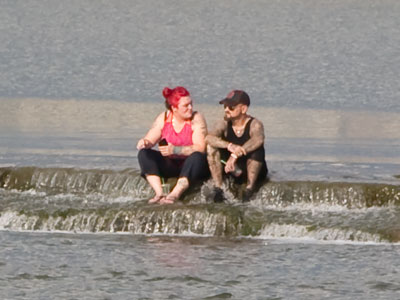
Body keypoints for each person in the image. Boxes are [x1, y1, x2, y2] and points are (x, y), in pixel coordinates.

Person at [137, 86, 209, 204]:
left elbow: (200, 147)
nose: (190, 108)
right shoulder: (164, 118)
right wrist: (144, 142)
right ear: (174, 108)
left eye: (191, 104)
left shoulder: (196, 118)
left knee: (197, 157)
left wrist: (175, 150)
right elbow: (150, 139)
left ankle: (174, 194)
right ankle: (159, 193)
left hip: (191, 165)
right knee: (144, 154)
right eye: (186, 106)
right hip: (171, 164)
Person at [206, 90, 268, 202]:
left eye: (231, 107)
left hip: (252, 168)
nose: (226, 110)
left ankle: (249, 189)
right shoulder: (224, 123)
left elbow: (258, 139)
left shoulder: (255, 124)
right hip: (231, 168)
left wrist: (236, 154)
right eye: (225, 106)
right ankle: (218, 188)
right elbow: (209, 138)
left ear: (243, 109)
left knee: (257, 150)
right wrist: (229, 145)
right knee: (211, 148)